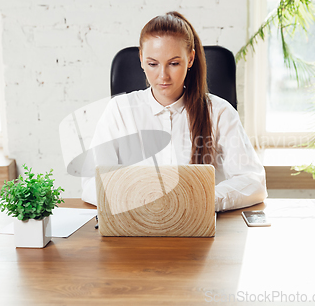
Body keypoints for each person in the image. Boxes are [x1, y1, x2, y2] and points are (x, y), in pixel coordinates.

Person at [81, 11, 268, 212]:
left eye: (174, 63)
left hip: (199, 227)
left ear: (190, 59)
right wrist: (140, 199)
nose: (163, 75)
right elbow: (92, 183)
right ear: (142, 59)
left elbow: (253, 182)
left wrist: (201, 199)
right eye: (153, 64)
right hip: (136, 228)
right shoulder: (119, 110)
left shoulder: (219, 112)